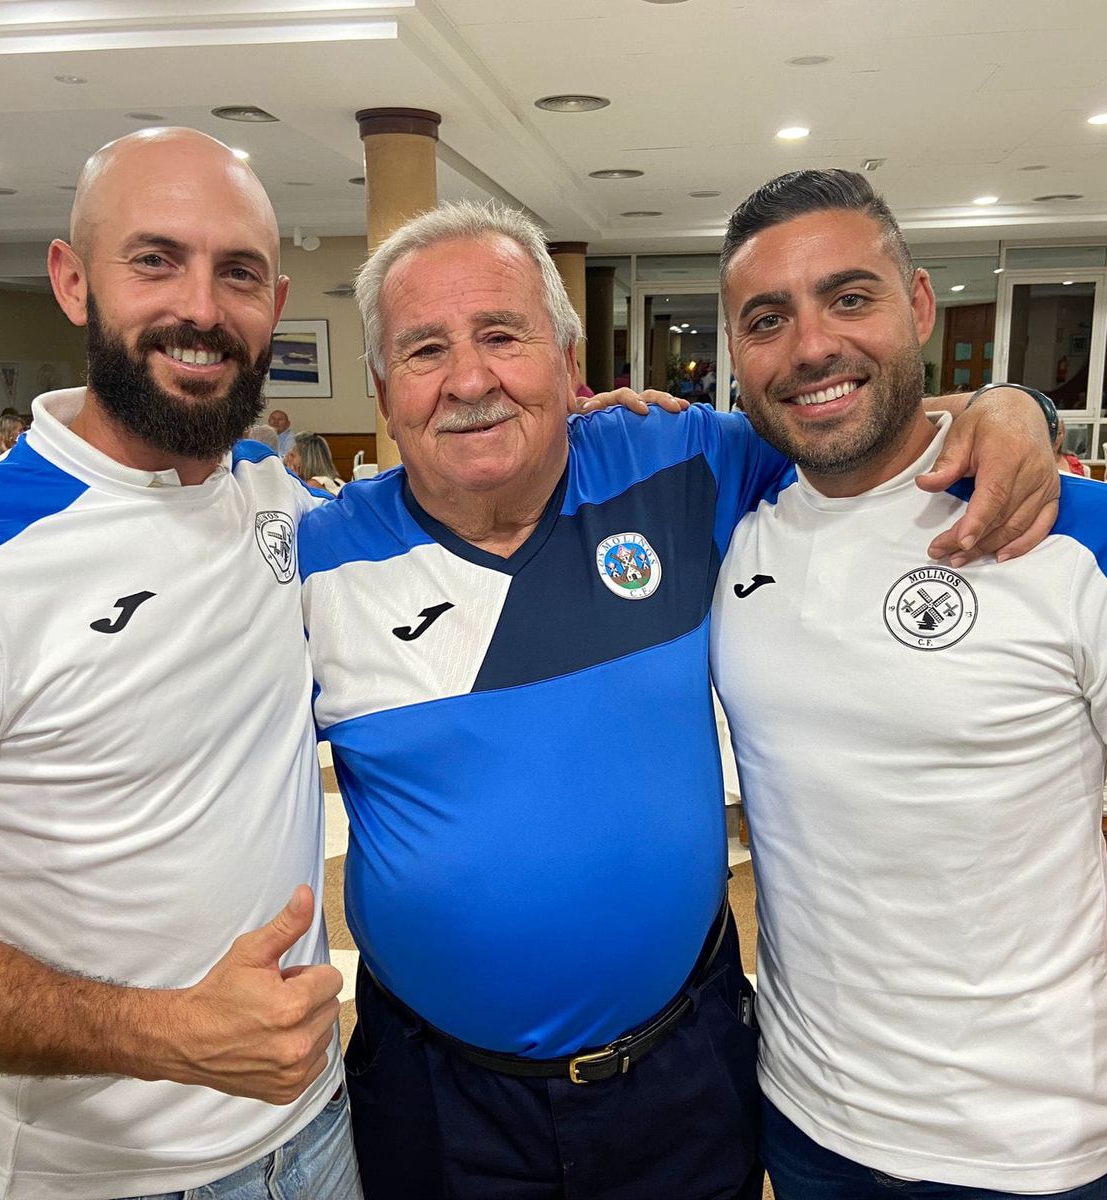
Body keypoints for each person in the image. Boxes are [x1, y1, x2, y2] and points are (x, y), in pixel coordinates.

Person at [303, 198, 1062, 1200]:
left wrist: (1011, 405)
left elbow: (859, 434)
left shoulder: (686, 463)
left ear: (569, 364)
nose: (470, 378)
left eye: (501, 335)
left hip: (683, 1075)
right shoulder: (310, 559)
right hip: (435, 1095)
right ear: (380, 388)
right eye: (424, 349)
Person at [0, 128, 358, 1200]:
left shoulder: (277, 501)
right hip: (95, 1177)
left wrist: (599, 436)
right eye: (155, 260)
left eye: (236, 271)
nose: (201, 306)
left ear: (274, 301)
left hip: (320, 1129)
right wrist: (168, 1036)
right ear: (73, 281)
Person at [709, 168, 1107, 1200]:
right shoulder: (731, 523)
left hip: (1027, 1146)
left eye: (850, 297)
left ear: (918, 305)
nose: (812, 345)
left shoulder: (1099, 542)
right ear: (735, 352)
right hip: (797, 1116)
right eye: (766, 319)